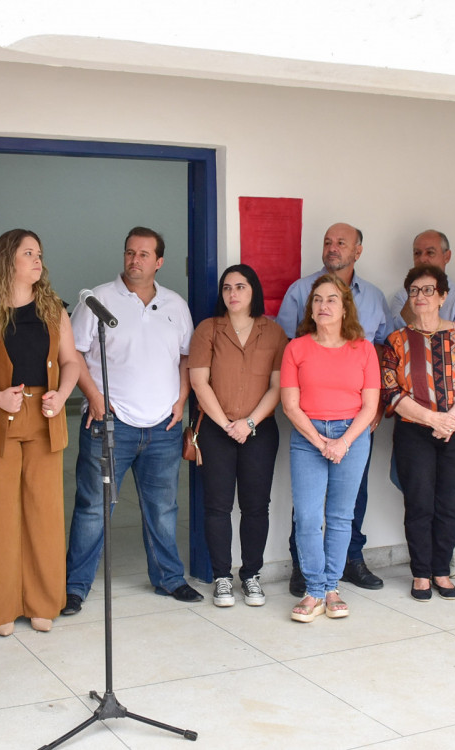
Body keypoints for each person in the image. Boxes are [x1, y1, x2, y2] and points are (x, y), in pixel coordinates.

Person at [62, 226, 201, 616]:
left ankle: (169, 578)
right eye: (129, 253)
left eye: (143, 254)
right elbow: (73, 354)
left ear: (159, 262)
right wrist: (94, 397)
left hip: (163, 427)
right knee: (93, 507)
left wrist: (182, 398)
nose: (134, 260)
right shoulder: (97, 300)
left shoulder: (175, 304)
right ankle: (75, 587)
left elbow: (187, 356)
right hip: (111, 422)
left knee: (162, 507)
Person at [0, 229, 80, 635]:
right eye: (28, 252)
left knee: (44, 514)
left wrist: (62, 395)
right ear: (7, 259)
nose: (37, 260)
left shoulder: (55, 309)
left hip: (45, 418)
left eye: (39, 253)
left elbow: (72, 361)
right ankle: (0, 609)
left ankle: (43, 602)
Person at [277, 223, 390, 596]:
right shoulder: (296, 347)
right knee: (308, 517)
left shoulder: (364, 349)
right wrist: (322, 441)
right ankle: (313, 587)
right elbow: (290, 405)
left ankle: (331, 588)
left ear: (345, 308)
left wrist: (342, 442)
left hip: (353, 436)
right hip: (309, 435)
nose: (323, 306)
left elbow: (370, 403)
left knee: (342, 517)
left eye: (331, 300)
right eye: (318, 300)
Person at [382, 265, 455, 601]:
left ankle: (442, 570)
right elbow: (392, 392)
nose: (420, 296)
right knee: (419, 502)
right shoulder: (396, 341)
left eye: (428, 290)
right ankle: (421, 573)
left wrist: (451, 420)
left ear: (442, 296)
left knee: (448, 503)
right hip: (414, 432)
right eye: (414, 291)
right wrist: (432, 419)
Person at [188, 264, 288, 607]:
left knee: (256, 507)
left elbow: (278, 387)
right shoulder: (208, 330)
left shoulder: (273, 333)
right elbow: (198, 381)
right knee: (216, 506)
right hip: (216, 431)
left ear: (253, 291)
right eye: (227, 288)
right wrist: (226, 423)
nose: (233, 293)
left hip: (259, 431)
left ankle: (251, 575)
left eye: (240, 287)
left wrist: (248, 423)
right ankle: (222, 578)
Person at [390, 230, 455, 335]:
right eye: (417, 253)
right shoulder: (401, 296)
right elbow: (396, 338)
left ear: (447, 256)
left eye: (430, 253)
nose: (422, 259)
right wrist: (414, 296)